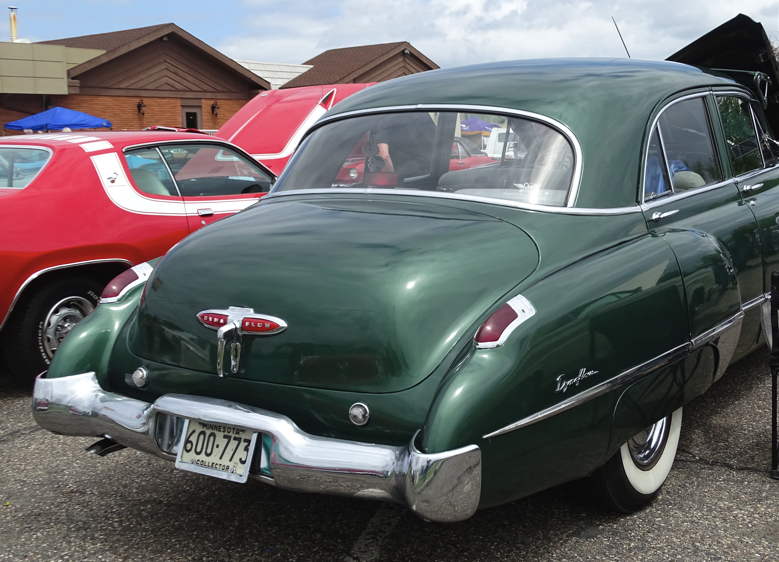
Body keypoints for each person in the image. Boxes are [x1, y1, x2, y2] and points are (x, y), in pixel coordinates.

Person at [371, 113, 436, 180]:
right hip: (434, 175)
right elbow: (439, 143)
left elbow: (384, 157)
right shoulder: (423, 114)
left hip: (408, 178)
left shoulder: (383, 120)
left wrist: (389, 182)